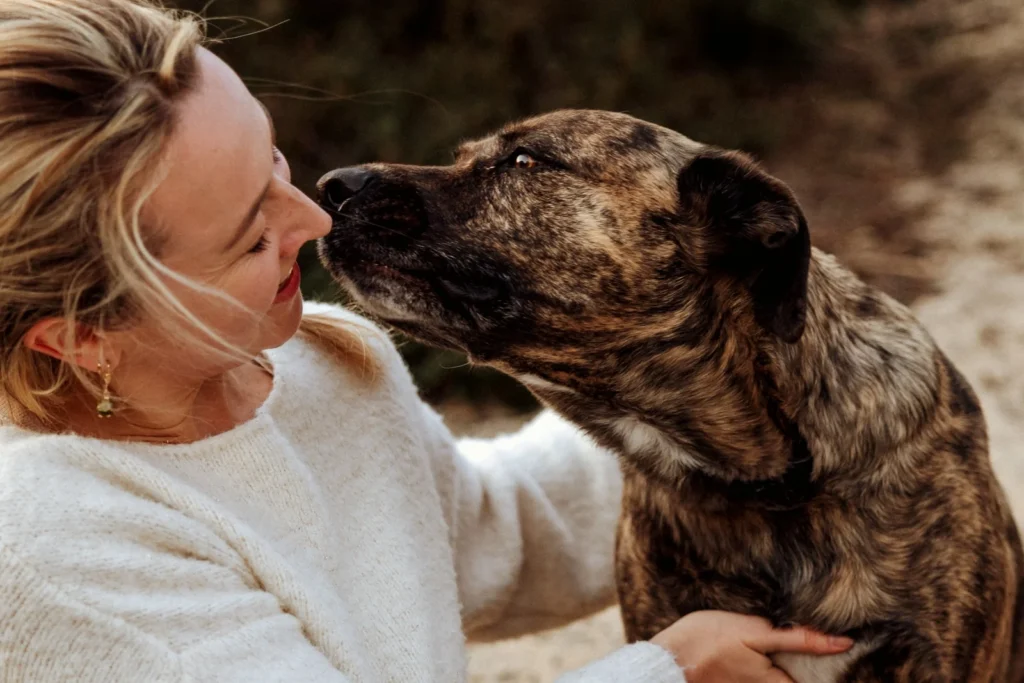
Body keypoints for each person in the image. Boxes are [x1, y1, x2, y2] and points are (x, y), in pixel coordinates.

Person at [0, 2, 854, 681]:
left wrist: (735, 386)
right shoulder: (53, 551)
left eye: (275, 164)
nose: (314, 220)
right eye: (249, 236)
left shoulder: (313, 367)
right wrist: (667, 671)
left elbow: (501, 536)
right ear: (82, 338)